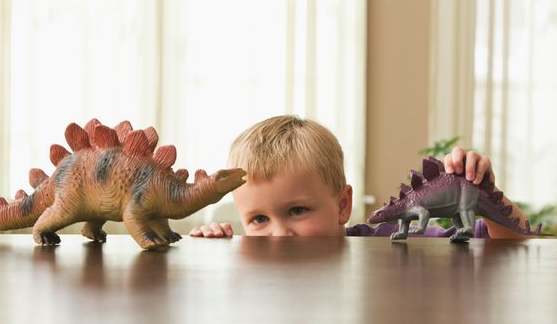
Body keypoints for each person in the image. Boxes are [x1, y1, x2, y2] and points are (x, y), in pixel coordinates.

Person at [189, 115, 529, 239]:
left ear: (342, 205)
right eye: (259, 219)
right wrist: (209, 245)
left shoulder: (384, 241)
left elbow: (510, 243)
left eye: (297, 211)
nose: (280, 234)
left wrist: (482, 190)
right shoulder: (249, 262)